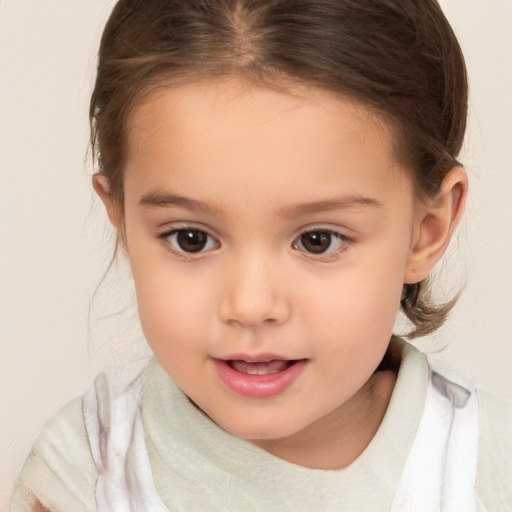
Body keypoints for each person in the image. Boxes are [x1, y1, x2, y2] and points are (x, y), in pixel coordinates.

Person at [11, 0, 511, 510]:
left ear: (425, 232)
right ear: (120, 219)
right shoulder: (82, 475)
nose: (250, 305)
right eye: (191, 239)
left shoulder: (488, 468)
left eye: (318, 240)